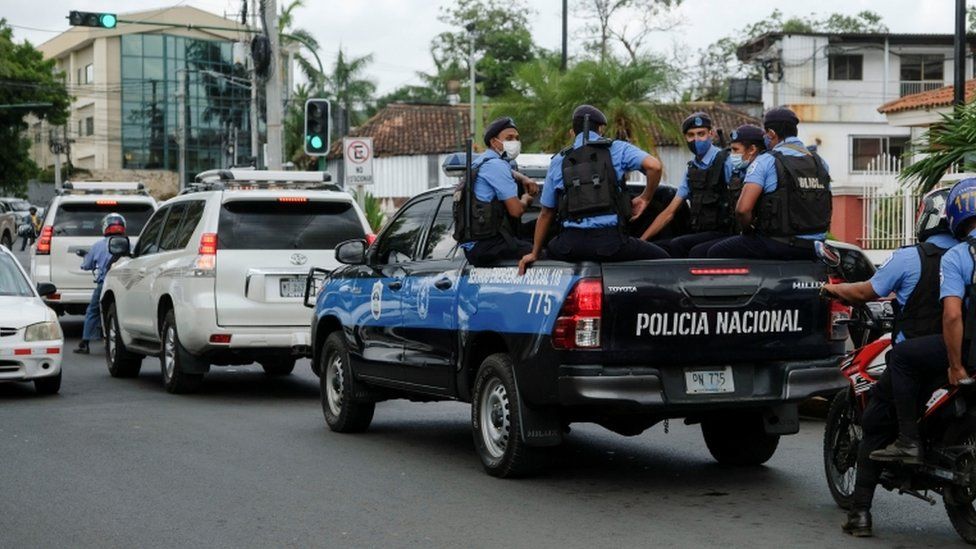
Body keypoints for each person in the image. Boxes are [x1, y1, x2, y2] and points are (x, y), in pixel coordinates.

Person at [819, 188, 956, 537]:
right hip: (960, 357)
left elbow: (867, 291)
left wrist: (834, 290)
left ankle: (861, 514)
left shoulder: (910, 258)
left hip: (918, 360)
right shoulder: (967, 255)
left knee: (876, 421)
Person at [868, 178, 976, 465]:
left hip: (970, 350)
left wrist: (956, 366)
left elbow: (952, 315)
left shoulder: (959, 255)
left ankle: (908, 441)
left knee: (902, 356)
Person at [518, 105, 668, 273]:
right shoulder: (617, 148)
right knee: (664, 259)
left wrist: (534, 253)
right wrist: (645, 198)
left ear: (572, 133)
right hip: (610, 245)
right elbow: (654, 166)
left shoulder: (559, 159)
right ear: (601, 129)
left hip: (569, 247)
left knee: (551, 248)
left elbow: (546, 213)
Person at [707, 107, 832, 260]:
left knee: (714, 252)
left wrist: (748, 230)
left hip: (778, 244)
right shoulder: (819, 162)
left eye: (766, 133)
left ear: (771, 133)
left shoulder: (767, 160)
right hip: (815, 247)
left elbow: (742, 209)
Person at [643, 123, 766, 258]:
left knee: (686, 248)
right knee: (663, 246)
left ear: (711, 134)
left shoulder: (727, 162)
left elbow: (745, 203)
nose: (696, 140)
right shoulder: (692, 169)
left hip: (725, 230)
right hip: (702, 231)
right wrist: (641, 241)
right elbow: (669, 212)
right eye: (691, 135)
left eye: (701, 134)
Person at [456, 117, 537, 266]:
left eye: (517, 138)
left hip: (476, 246)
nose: (515, 142)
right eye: (509, 138)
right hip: (489, 245)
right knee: (541, 252)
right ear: (494, 142)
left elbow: (504, 170)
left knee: (539, 227)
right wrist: (526, 199)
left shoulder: (480, 162)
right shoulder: (496, 166)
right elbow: (516, 211)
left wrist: (523, 178)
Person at [75, 213, 126, 354]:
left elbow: (87, 265)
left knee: (93, 311)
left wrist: (86, 260)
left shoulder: (98, 246)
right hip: (124, 285)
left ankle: (85, 342)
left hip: (104, 283)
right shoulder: (128, 243)